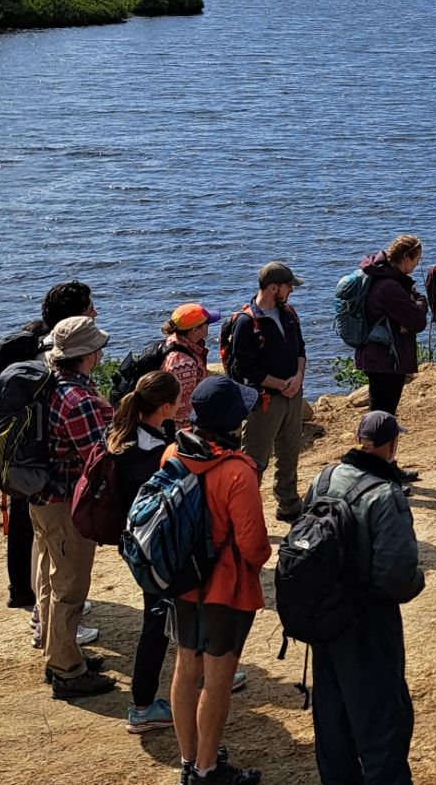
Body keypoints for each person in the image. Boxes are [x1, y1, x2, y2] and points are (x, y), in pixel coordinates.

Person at [307, 411, 426, 785]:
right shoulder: (385, 494)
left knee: (333, 723)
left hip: (324, 619)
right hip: (368, 626)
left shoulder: (323, 478)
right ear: (392, 446)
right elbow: (398, 578)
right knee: (382, 728)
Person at [167, 376, 271, 785]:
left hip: (181, 581)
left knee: (184, 666)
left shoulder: (172, 453)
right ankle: (207, 770)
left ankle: (189, 760)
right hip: (224, 589)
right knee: (218, 678)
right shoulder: (237, 472)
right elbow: (253, 547)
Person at [2, 281, 95, 629]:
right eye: (89, 309)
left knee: (38, 539)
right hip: (51, 473)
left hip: (28, 462)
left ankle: (29, 600)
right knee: (54, 553)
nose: (95, 313)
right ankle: (49, 625)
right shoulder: (55, 361)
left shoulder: (34, 346)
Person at [35, 315, 116, 699]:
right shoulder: (79, 399)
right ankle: (67, 672)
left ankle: (61, 655)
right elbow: (98, 458)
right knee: (70, 588)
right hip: (66, 504)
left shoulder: (50, 385)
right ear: (88, 355)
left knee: (53, 583)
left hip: (42, 501)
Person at [103, 370, 183, 732]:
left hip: (133, 542)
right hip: (155, 548)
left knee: (174, 611)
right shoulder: (150, 454)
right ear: (165, 406)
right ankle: (142, 705)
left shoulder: (125, 437)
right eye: (178, 399)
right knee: (158, 621)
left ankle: (200, 673)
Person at [225, 261, 308, 522]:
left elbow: (301, 350)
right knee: (254, 461)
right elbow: (243, 367)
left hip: (292, 396)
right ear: (274, 288)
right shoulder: (245, 323)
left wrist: (298, 377)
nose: (291, 291)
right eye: (288, 287)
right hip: (264, 402)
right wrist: (279, 384)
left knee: (289, 454)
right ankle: (244, 513)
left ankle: (289, 505)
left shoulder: (289, 314)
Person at [354, 236, 430, 415]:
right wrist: (415, 308)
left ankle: (377, 440)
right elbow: (418, 321)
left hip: (379, 355)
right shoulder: (389, 286)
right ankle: (374, 442)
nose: (416, 266)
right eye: (416, 260)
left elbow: (411, 308)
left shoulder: (385, 276)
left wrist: (408, 313)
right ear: (406, 258)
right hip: (385, 359)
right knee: (382, 413)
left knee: (381, 412)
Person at [161, 303, 219, 433]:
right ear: (194, 330)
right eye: (206, 324)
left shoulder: (176, 341)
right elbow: (183, 410)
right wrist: (191, 437)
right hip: (185, 431)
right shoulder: (182, 363)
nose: (208, 327)